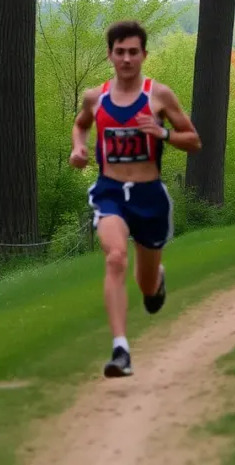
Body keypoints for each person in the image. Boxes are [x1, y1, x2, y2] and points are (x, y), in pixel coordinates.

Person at [70, 21, 202, 379]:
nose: (126, 58)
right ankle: (120, 349)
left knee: (145, 285)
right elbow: (81, 124)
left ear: (144, 54)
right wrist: (79, 147)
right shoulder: (95, 98)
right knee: (114, 258)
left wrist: (161, 132)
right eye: (119, 51)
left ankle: (155, 279)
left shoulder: (158, 96)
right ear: (110, 55)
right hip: (110, 191)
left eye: (133, 52)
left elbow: (194, 140)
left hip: (149, 196)